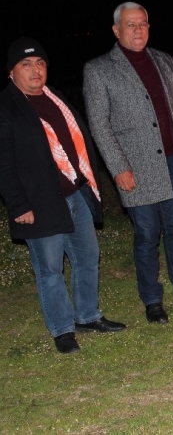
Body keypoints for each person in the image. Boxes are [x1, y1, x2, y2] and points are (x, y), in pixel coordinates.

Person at [83, 2, 173, 325]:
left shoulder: (162, 60)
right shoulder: (99, 69)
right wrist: (118, 168)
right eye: (131, 25)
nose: (138, 30)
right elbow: (99, 125)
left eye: (143, 23)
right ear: (116, 31)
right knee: (146, 234)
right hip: (136, 168)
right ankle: (153, 300)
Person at [0, 38, 126, 354]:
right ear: (11, 73)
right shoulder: (7, 107)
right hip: (39, 203)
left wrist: (86, 182)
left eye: (39, 63)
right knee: (50, 270)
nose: (35, 70)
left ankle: (87, 316)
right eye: (25, 65)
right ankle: (62, 330)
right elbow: (3, 163)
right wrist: (18, 205)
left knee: (87, 257)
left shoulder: (54, 97)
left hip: (76, 193)